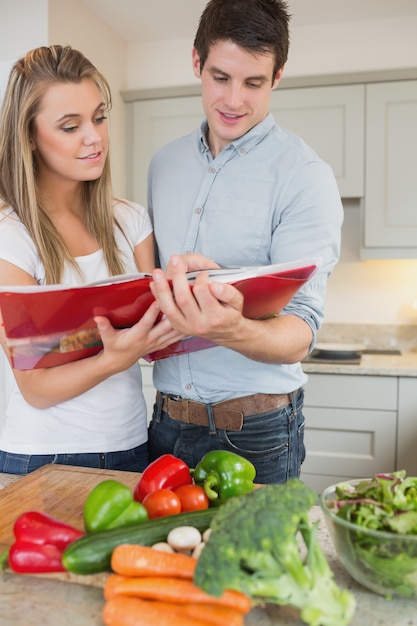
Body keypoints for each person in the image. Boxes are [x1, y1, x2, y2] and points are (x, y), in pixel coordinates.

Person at [146, 0, 344, 484]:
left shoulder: (304, 177)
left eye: (253, 83)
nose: (234, 99)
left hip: (258, 432)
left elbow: (302, 332)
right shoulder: (163, 165)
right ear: (197, 62)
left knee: (259, 563)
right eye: (220, 77)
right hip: (164, 425)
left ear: (277, 77)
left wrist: (227, 325)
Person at [0, 45, 183, 475]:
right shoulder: (11, 238)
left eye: (99, 117)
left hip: (132, 445)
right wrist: (113, 357)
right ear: (28, 135)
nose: (94, 137)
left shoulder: (131, 222)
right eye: (70, 126)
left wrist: (188, 286)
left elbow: (156, 338)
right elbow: (36, 388)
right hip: (40, 456)